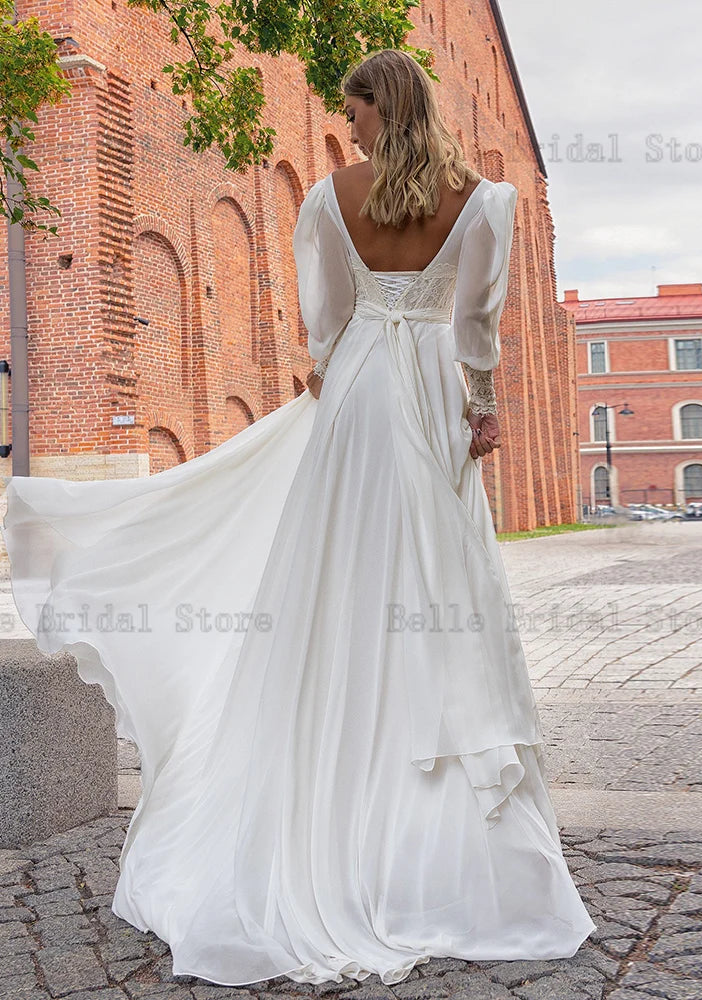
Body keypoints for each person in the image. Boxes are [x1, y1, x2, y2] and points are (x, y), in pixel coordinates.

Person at [1, 48, 596, 987]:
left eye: (353, 110)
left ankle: (323, 799)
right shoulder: (483, 201)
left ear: (374, 107)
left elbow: (324, 324)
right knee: (439, 585)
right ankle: (444, 830)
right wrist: (478, 409)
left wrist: (340, 361)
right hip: (435, 395)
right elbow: (476, 325)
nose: (348, 125)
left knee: (338, 582)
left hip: (358, 395)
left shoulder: (329, 198)